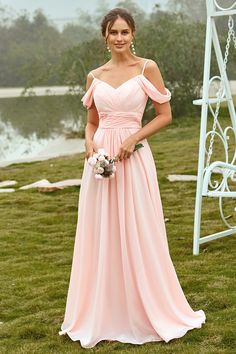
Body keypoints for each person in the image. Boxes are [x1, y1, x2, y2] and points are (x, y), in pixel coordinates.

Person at [59, 7, 206, 349]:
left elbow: (165, 115)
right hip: (100, 161)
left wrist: (133, 139)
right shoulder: (94, 76)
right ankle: (104, 309)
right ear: (104, 37)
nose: (120, 38)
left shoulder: (147, 68)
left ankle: (145, 306)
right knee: (102, 231)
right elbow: (93, 121)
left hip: (133, 157)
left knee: (138, 228)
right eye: (114, 32)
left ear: (133, 35)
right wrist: (88, 139)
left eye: (125, 32)